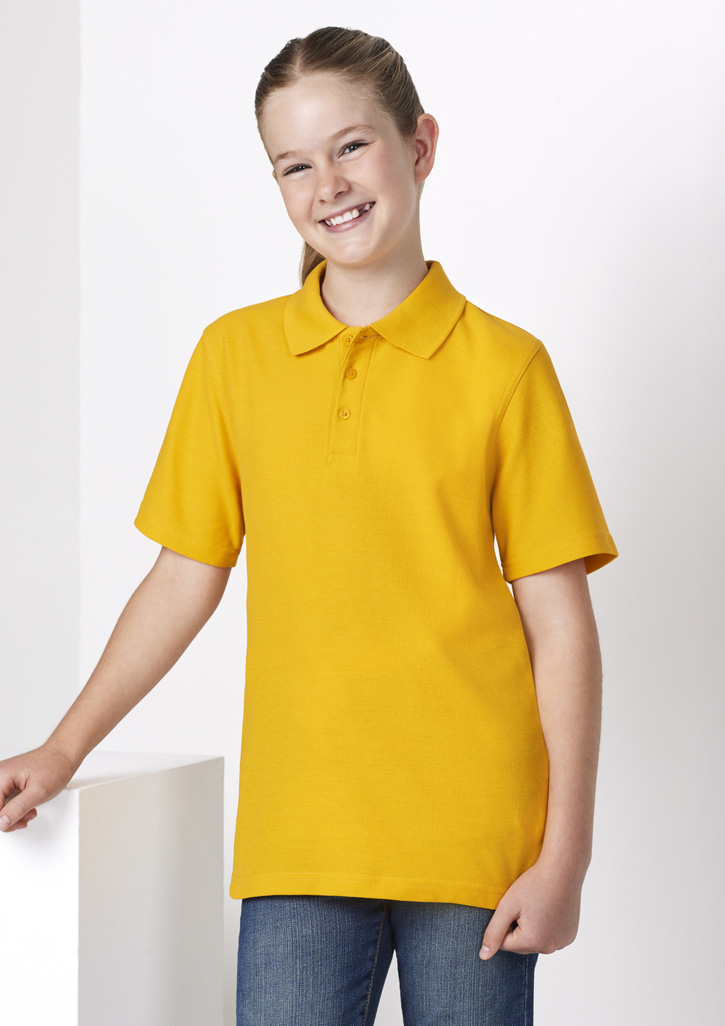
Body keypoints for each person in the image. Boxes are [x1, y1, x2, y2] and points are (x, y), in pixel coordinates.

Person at [0, 25, 619, 1026]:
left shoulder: (507, 368)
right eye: (294, 164)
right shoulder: (233, 358)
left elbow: (560, 626)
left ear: (419, 144)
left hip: (476, 838)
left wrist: (566, 859)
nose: (327, 184)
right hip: (300, 835)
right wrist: (63, 748)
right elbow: (182, 577)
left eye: (351, 146)